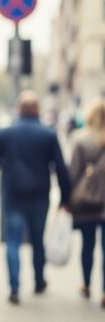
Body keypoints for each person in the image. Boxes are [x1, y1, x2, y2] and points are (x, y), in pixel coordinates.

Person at [0, 90, 72, 305]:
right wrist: (65, 196)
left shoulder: (5, 133)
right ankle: (38, 280)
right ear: (37, 111)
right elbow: (60, 168)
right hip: (39, 196)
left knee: (13, 242)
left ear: (18, 109)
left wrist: (6, 162)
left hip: (13, 195)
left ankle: (14, 287)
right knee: (37, 241)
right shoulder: (48, 134)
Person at [68, 99, 105, 308]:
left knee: (87, 245)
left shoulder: (81, 140)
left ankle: (87, 283)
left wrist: (67, 199)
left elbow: (73, 174)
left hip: (87, 202)